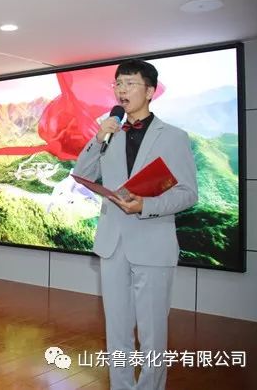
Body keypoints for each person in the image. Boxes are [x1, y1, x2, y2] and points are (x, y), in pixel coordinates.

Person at [73, 60, 198, 390]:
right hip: (113, 244)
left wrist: (146, 205)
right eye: (118, 84)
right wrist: (98, 136)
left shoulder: (174, 137)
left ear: (150, 91)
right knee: (117, 329)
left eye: (130, 83)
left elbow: (188, 193)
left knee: (153, 332)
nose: (122, 90)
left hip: (153, 243)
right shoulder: (110, 134)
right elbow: (83, 174)